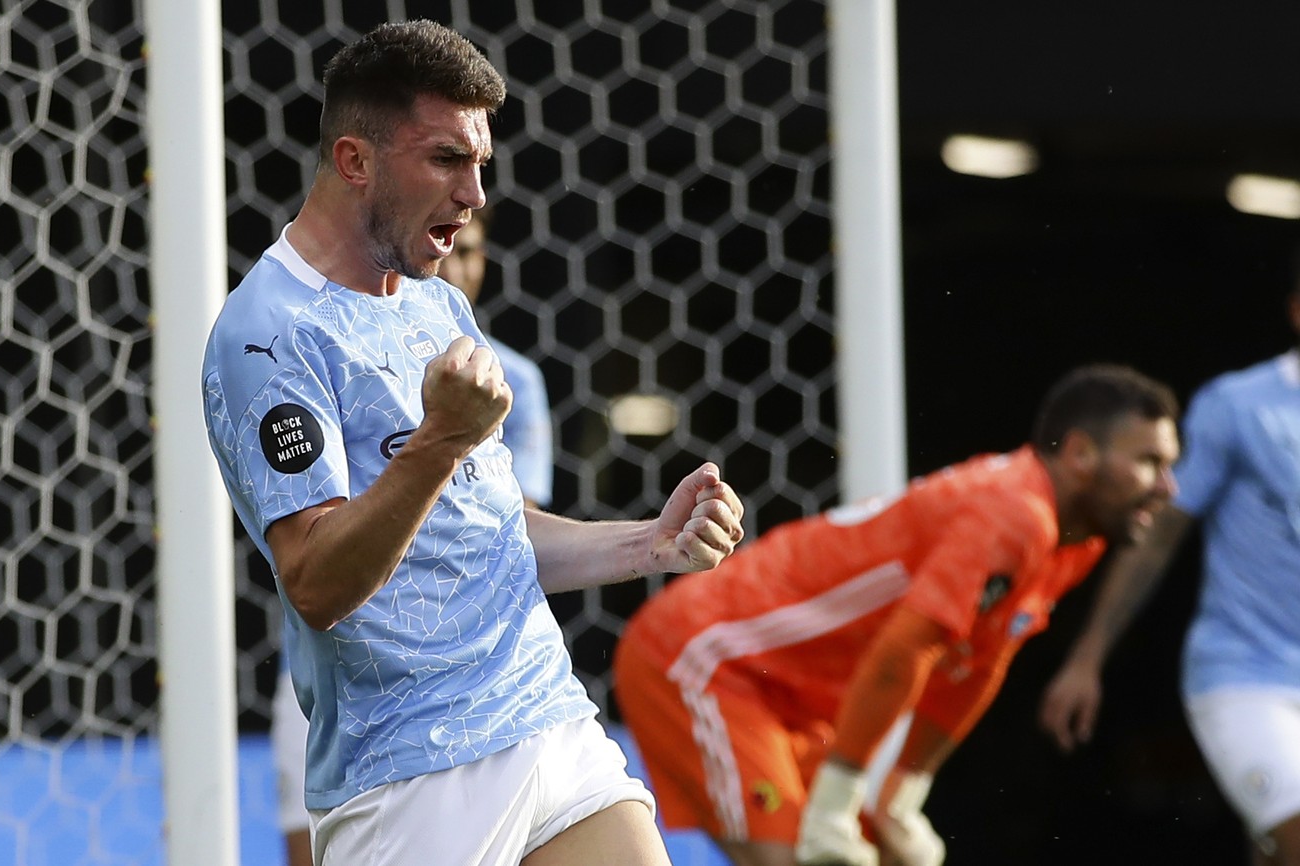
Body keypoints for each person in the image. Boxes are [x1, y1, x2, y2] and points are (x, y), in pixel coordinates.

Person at [201, 19, 744, 866]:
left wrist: (650, 543)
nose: (476, 195)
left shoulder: (436, 302)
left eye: (480, 164)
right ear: (355, 161)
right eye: (448, 160)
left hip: (545, 714)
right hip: (413, 776)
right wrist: (440, 441)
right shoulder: (268, 337)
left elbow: (492, 531)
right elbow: (314, 582)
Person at [611, 365, 1181, 866]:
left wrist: (900, 795)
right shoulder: (1014, 514)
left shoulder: (1074, 541)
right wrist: (841, 796)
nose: (1168, 486)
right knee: (801, 861)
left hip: (794, 691)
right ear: (1081, 453)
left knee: (878, 856)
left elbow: (977, 666)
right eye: (1149, 461)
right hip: (708, 655)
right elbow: (905, 650)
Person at [268, 205, 557, 866]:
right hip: (334, 661)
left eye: (472, 252)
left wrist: (643, 541)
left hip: (468, 680)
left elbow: (508, 537)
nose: (454, 267)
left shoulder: (515, 382)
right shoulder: (316, 349)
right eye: (449, 249)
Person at [1040, 282, 1300, 866]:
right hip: (1248, 672)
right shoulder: (1239, 406)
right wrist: (1089, 655)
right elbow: (1157, 534)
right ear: (1295, 310)